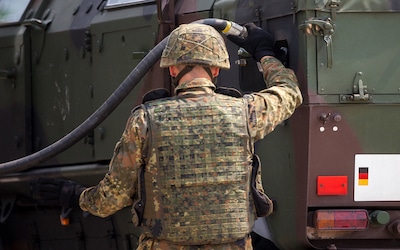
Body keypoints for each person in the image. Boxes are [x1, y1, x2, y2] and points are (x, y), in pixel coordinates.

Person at [33, 22, 302, 249]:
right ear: (217, 69)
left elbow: (111, 199)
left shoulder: (145, 120)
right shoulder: (248, 112)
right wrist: (265, 53)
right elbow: (289, 92)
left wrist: (76, 196)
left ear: (172, 69)